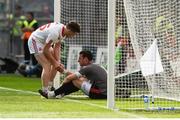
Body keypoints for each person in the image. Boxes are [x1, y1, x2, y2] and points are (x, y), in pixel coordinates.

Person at [28, 21, 80, 93]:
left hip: (44, 42)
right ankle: (45, 91)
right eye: (73, 34)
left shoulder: (63, 31)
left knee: (56, 62)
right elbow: (45, 50)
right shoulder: (55, 33)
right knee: (47, 65)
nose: (73, 36)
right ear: (69, 30)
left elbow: (57, 47)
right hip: (35, 40)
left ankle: (50, 86)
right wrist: (55, 62)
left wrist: (57, 61)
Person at [38, 50, 107, 99]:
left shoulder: (88, 68)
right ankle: (60, 94)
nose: (78, 60)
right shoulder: (94, 66)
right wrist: (64, 71)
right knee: (78, 80)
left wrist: (61, 86)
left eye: (80, 58)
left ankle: (53, 94)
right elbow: (80, 78)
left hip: (99, 93)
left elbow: (69, 78)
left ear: (86, 59)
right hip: (103, 93)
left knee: (74, 80)